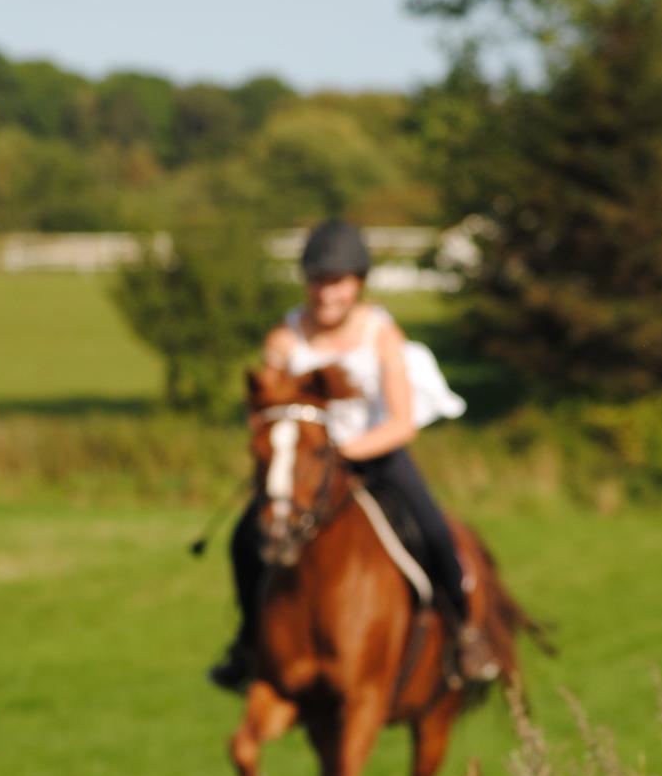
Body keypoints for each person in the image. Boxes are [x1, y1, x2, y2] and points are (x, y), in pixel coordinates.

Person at [210, 217, 499, 692]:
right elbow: (262, 407)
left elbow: (402, 423)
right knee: (244, 539)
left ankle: (467, 632)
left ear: (358, 283)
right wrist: (282, 445)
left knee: (432, 530)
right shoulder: (284, 340)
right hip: (306, 469)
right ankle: (247, 643)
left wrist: (342, 452)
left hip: (373, 456)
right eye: (318, 281)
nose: (327, 293)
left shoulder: (381, 335)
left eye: (338, 282)